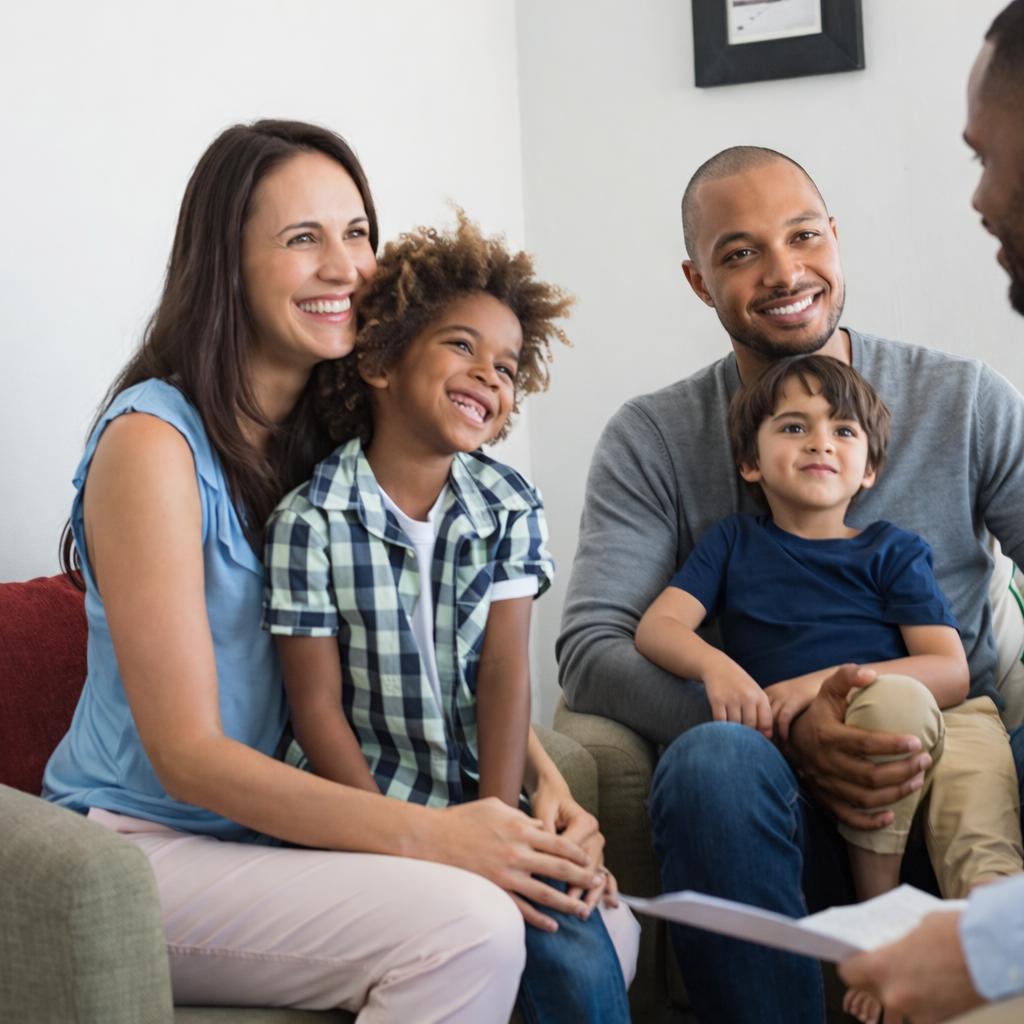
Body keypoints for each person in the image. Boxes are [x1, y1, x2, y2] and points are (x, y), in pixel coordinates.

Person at [41, 120, 616, 1024]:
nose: (345, 267)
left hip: (279, 833)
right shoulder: (152, 444)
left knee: (591, 921)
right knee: (471, 925)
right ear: (226, 264)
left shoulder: (340, 438)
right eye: (302, 239)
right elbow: (187, 757)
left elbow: (432, 643)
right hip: (140, 845)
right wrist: (442, 839)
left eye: (356, 234)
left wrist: (535, 791)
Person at [558, 140, 1024, 1024]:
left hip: (959, 770)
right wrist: (788, 723)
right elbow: (592, 649)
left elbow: (954, 668)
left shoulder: (964, 400)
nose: (783, 271)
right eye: (739, 253)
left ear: (837, 241)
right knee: (713, 763)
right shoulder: (653, 437)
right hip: (775, 806)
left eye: (803, 236)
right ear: (699, 281)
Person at [262, 212, 639, 1023]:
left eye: (506, 366)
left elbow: (504, 674)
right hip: (355, 807)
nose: (487, 375)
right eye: (461, 346)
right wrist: (393, 838)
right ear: (378, 359)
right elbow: (316, 709)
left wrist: (500, 829)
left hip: (476, 800)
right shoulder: (310, 520)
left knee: (577, 927)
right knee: (545, 943)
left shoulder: (509, 506)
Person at [634, 353, 1022, 1023]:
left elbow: (948, 669)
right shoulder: (732, 542)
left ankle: (969, 975)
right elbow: (659, 626)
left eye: (844, 431)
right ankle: (877, 932)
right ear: (749, 463)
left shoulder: (891, 549)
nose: (820, 441)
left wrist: (814, 685)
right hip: (801, 789)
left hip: (929, 734)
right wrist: (718, 668)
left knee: (965, 818)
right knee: (737, 746)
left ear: (869, 469)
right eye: (793, 427)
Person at [838, 4, 1024, 1022]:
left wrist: (988, 941)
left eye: (985, 156)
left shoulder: (968, 400)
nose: (979, 198)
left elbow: (950, 665)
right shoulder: (685, 474)